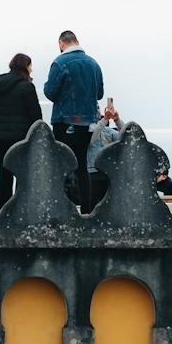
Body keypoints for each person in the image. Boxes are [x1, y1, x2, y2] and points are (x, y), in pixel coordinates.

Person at [43, 30, 103, 210]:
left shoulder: (59, 62)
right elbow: (99, 94)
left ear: (61, 43)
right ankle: (86, 209)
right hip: (88, 123)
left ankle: (60, 208)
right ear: (77, 41)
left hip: (65, 120)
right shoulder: (94, 64)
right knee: (82, 165)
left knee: (61, 164)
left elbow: (50, 92)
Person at [0, 52, 42, 213]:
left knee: (5, 175)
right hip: (20, 139)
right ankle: (21, 210)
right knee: (22, 175)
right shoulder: (27, 86)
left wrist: (1, 116)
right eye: (30, 66)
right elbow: (36, 115)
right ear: (26, 67)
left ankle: (1, 210)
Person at [85, 98, 122, 206]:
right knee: (93, 204)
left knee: (108, 205)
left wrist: (117, 120)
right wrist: (105, 119)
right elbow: (92, 139)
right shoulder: (85, 129)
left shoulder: (108, 131)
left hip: (109, 172)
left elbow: (126, 136)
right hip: (92, 173)